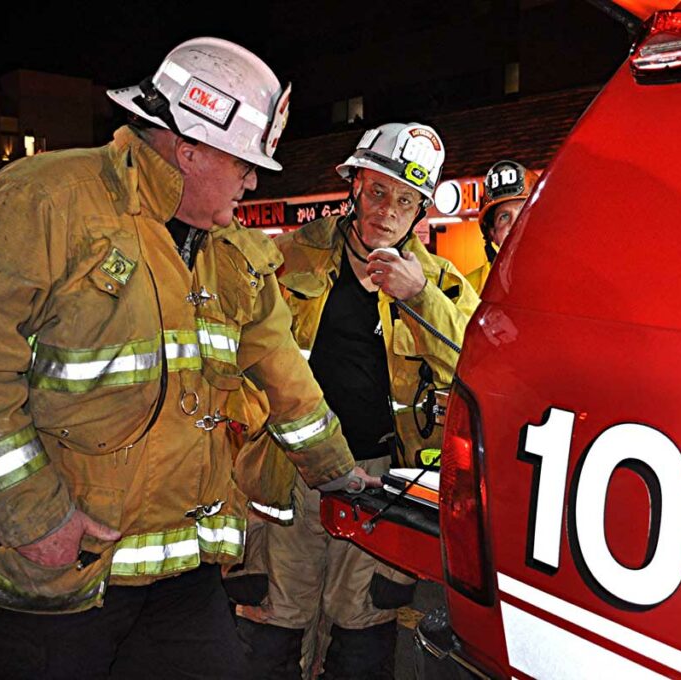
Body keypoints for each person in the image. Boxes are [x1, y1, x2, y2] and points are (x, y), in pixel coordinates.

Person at [0, 37, 373, 679]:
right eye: (242, 163)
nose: (253, 180)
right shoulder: (46, 201)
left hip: (180, 575)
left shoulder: (229, 249)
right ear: (188, 147)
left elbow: (282, 368)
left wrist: (337, 471)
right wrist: (33, 516)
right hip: (53, 578)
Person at [233, 123, 479, 679]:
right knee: (274, 627)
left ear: (421, 211)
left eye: (405, 200)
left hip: (378, 486)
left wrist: (419, 297)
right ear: (354, 188)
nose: (386, 212)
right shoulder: (289, 256)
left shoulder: (440, 282)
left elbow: (480, 367)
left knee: (362, 632)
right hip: (287, 474)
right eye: (377, 192)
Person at [465, 159, 538, 292]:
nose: (515, 225)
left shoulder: (569, 278)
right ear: (492, 233)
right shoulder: (466, 291)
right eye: (503, 217)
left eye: (523, 212)